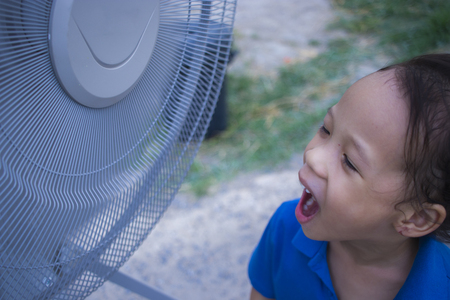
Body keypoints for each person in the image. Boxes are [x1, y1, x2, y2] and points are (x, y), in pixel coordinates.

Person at [248, 54, 450, 300]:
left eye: (349, 162)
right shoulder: (285, 227)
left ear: (417, 217)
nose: (314, 156)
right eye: (326, 129)